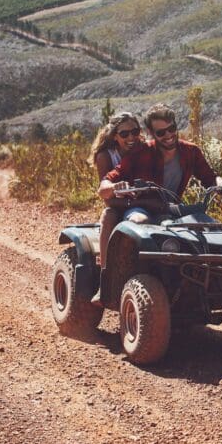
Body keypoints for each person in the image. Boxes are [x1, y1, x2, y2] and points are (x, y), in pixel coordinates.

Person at [98, 102, 222, 212]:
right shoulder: (139, 153)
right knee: (139, 222)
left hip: (173, 210)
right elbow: (105, 184)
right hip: (142, 210)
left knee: (205, 227)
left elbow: (210, 178)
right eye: (161, 132)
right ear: (151, 133)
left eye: (171, 129)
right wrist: (113, 186)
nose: (168, 135)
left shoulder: (191, 151)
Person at [88, 111, 148, 305]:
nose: (131, 137)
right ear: (115, 135)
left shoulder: (144, 149)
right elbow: (106, 197)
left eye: (135, 131)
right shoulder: (105, 156)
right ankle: (104, 281)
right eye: (124, 134)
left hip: (145, 202)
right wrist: (130, 201)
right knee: (108, 216)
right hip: (118, 204)